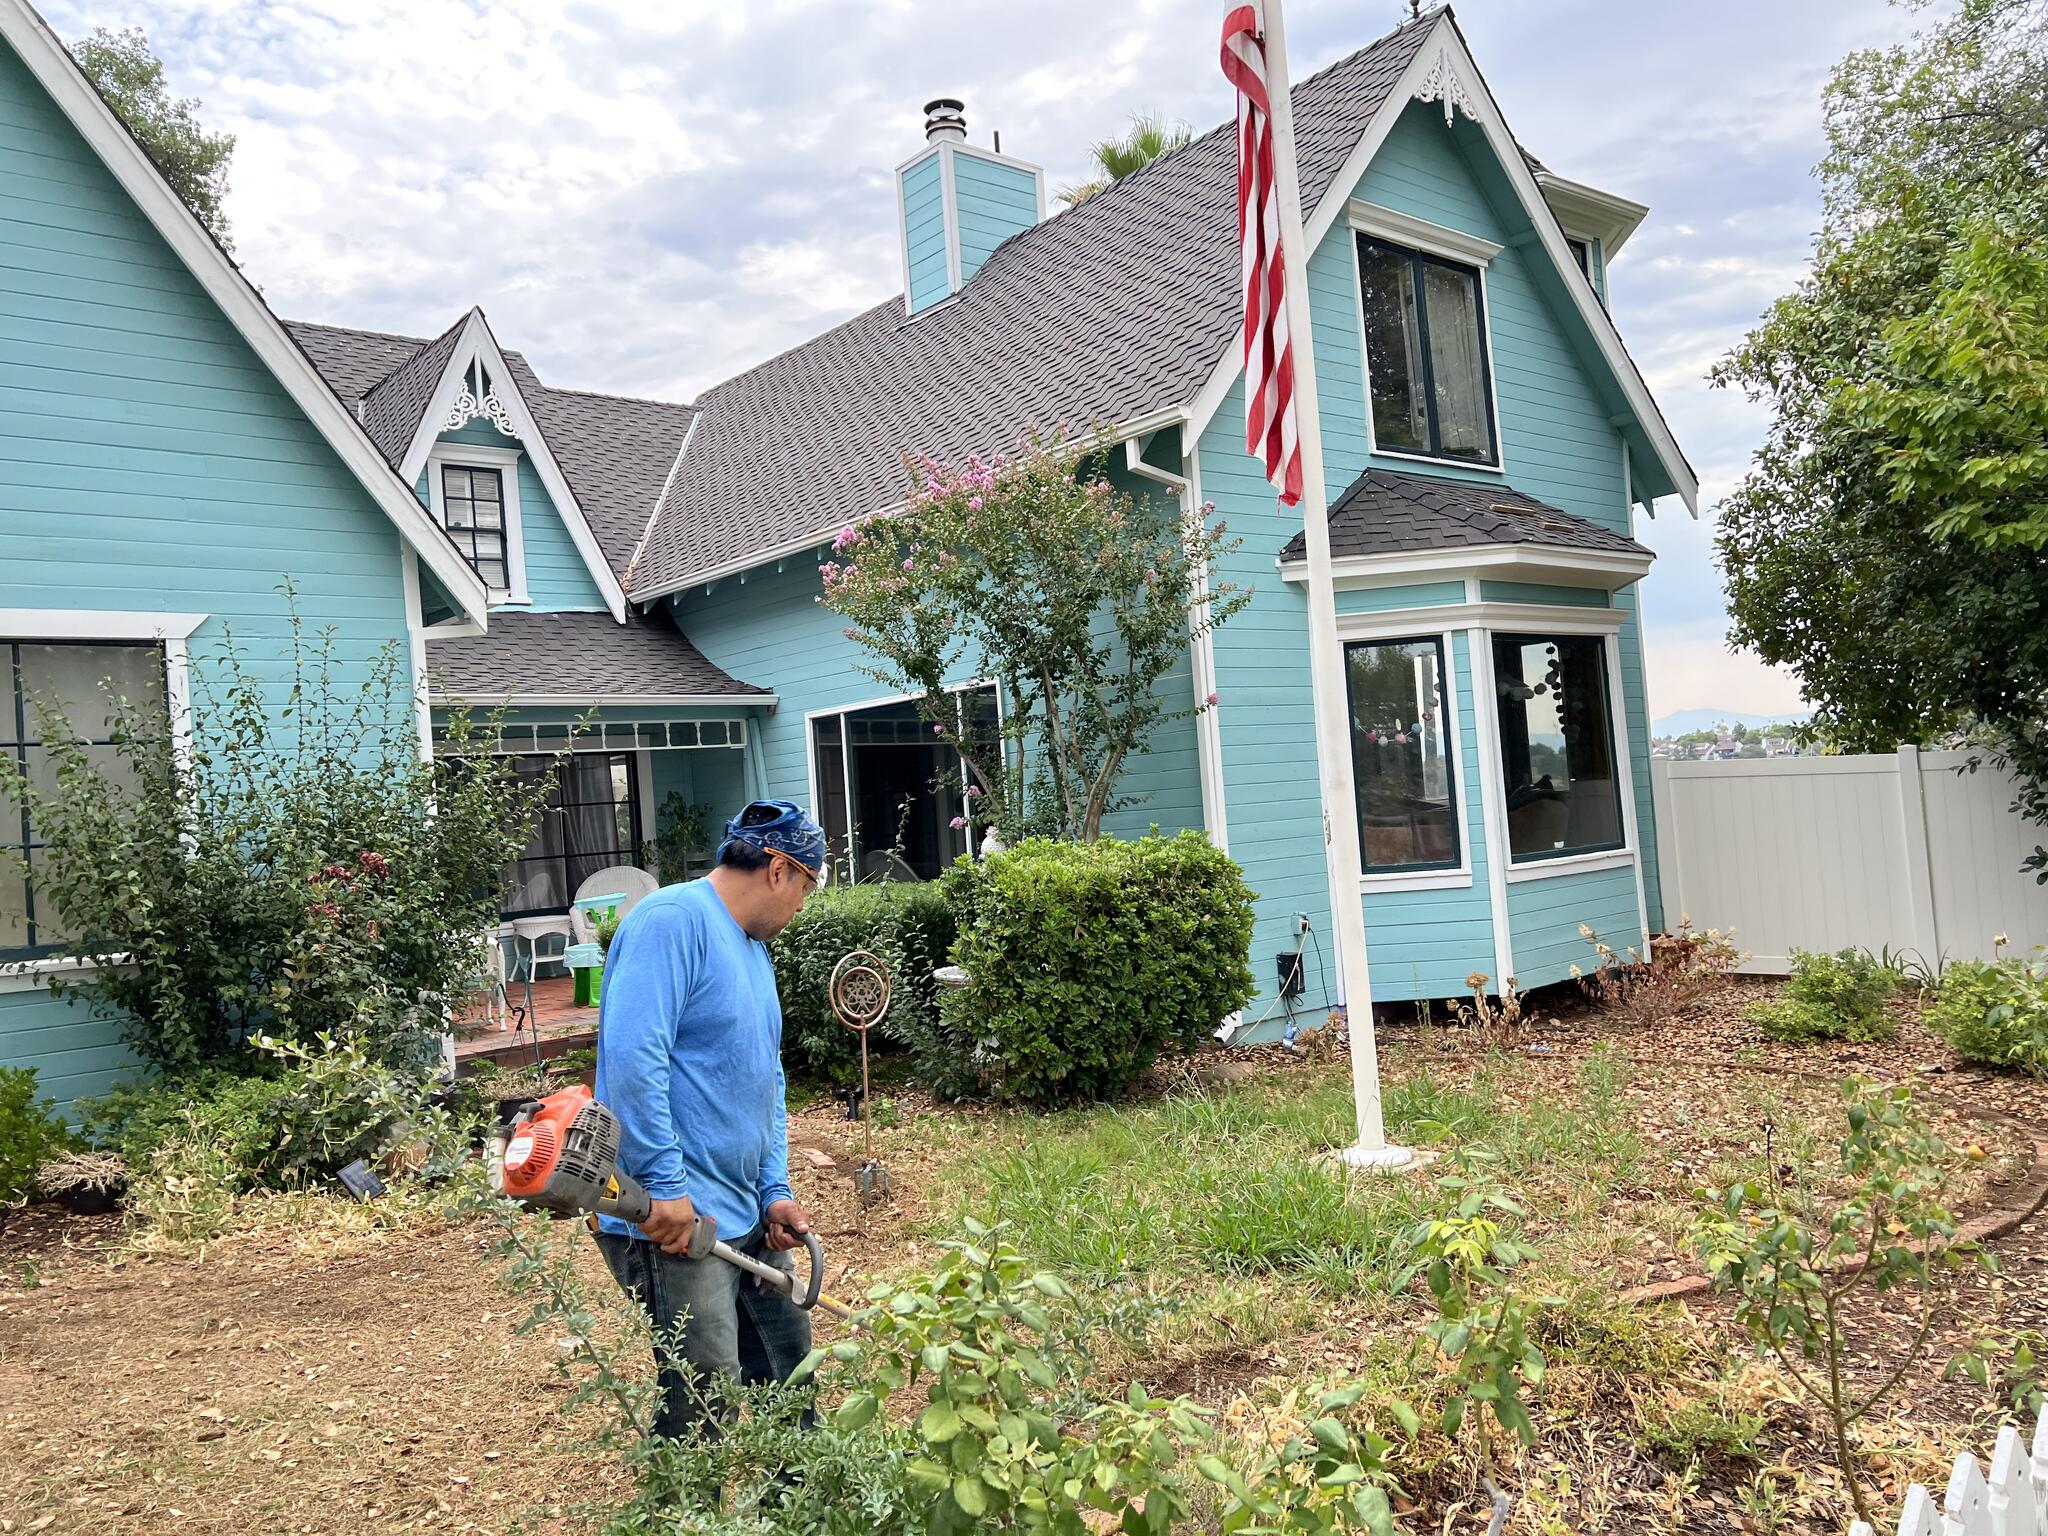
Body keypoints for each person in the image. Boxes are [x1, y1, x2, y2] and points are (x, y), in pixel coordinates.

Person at [592, 798, 824, 1438]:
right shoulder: (671, 922)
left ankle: (803, 1512)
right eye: (806, 884)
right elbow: (635, 1062)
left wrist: (774, 1189)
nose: (801, 905)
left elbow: (766, 1078)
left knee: (791, 1377)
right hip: (675, 1219)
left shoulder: (752, 950)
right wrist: (666, 1186)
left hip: (744, 1210)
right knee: (704, 1398)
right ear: (779, 869)